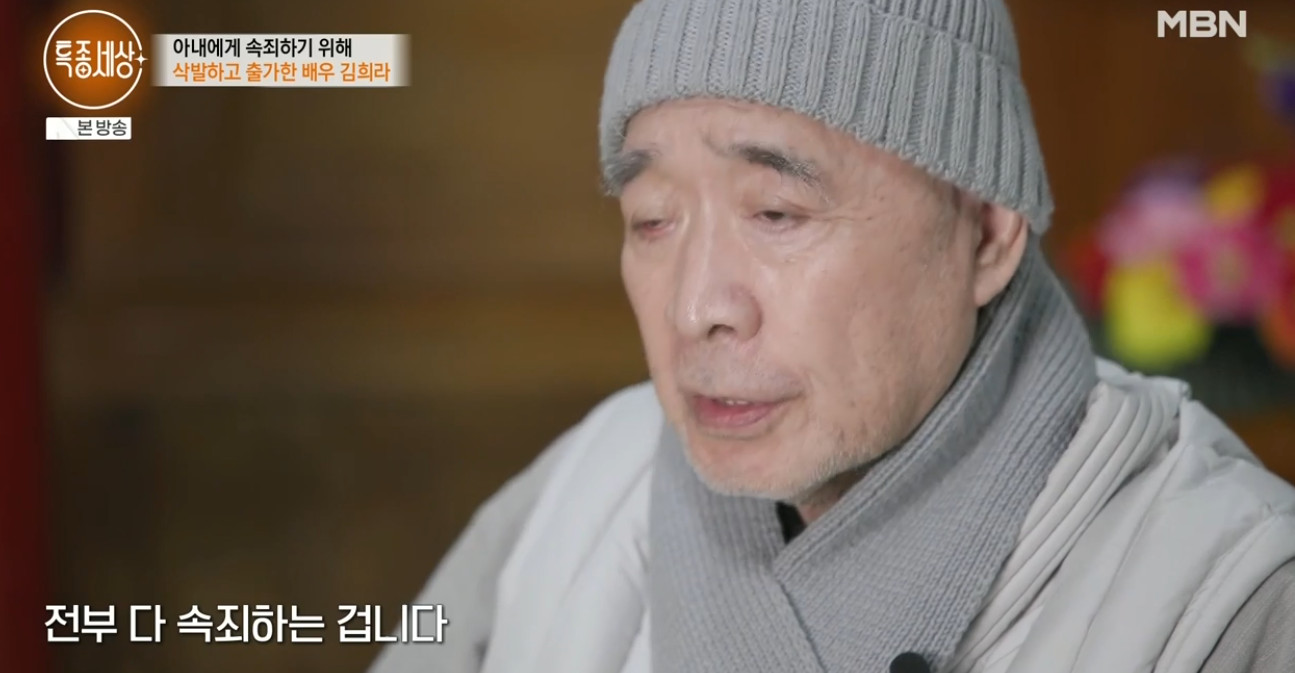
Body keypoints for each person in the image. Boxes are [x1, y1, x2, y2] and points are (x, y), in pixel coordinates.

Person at [369, 1, 1295, 671]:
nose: (696, 307)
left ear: (985, 232)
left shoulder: (1234, 588)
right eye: (652, 219)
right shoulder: (584, 481)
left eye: (775, 212)